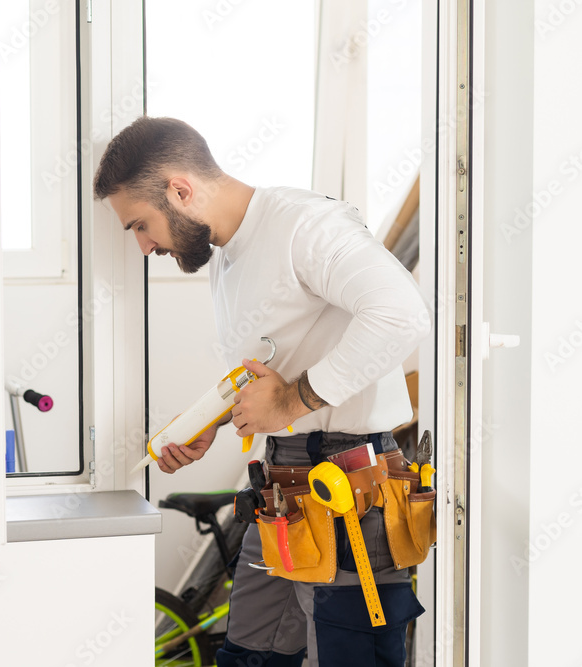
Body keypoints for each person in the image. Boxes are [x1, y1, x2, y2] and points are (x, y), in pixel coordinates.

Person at [94, 116, 431, 666]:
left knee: (349, 657)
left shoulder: (305, 225)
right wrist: (212, 421)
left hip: (347, 483)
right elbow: (270, 366)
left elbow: (399, 314)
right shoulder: (224, 255)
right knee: (250, 656)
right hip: (279, 490)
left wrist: (292, 401)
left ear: (180, 190)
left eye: (140, 224)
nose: (142, 245)